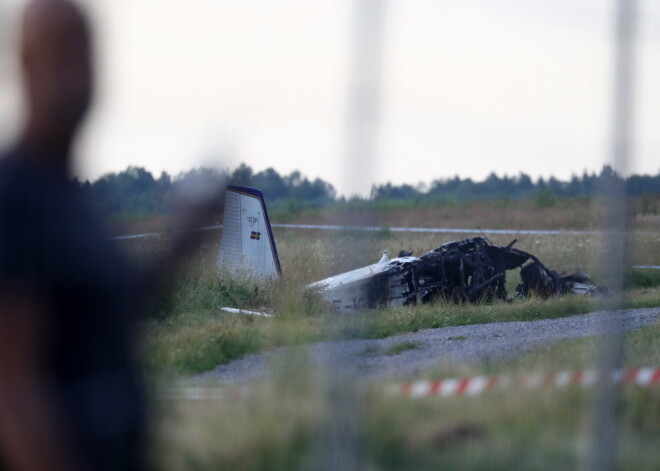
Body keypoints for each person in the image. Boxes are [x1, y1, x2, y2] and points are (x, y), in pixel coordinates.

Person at [0, 1, 144, 469]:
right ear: (25, 62)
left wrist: (185, 241)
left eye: (85, 52)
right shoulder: (16, 195)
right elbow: (13, 388)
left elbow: (110, 317)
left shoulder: (73, 199)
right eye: (62, 53)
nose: (78, 74)